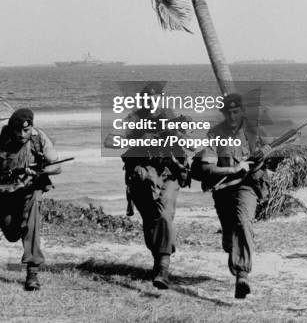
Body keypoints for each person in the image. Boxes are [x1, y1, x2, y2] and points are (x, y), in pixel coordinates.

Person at [104, 83, 191, 290]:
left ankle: (163, 266)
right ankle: (159, 257)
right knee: (151, 220)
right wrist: (139, 140)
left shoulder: (170, 116)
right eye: (148, 99)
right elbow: (109, 140)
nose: (153, 102)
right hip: (142, 176)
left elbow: (187, 141)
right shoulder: (134, 119)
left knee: (164, 214)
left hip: (169, 173)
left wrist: (179, 131)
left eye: (157, 98)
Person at [0, 108, 62, 291]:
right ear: (11, 128)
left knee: (32, 223)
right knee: (11, 233)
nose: (22, 134)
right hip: (3, 191)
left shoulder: (39, 139)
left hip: (30, 189)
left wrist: (39, 171)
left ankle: (32, 273)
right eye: (18, 130)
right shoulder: (0, 137)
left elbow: (57, 166)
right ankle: (22, 226)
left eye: (26, 130)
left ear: (32, 127)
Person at [191, 93, 271, 299]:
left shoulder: (255, 132)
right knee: (230, 233)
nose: (233, 116)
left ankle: (242, 275)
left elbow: (269, 156)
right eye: (228, 112)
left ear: (242, 111)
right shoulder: (215, 134)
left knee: (243, 222)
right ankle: (232, 248)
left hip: (248, 187)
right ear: (223, 113)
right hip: (224, 189)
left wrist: (264, 156)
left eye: (236, 112)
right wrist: (235, 169)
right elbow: (207, 168)